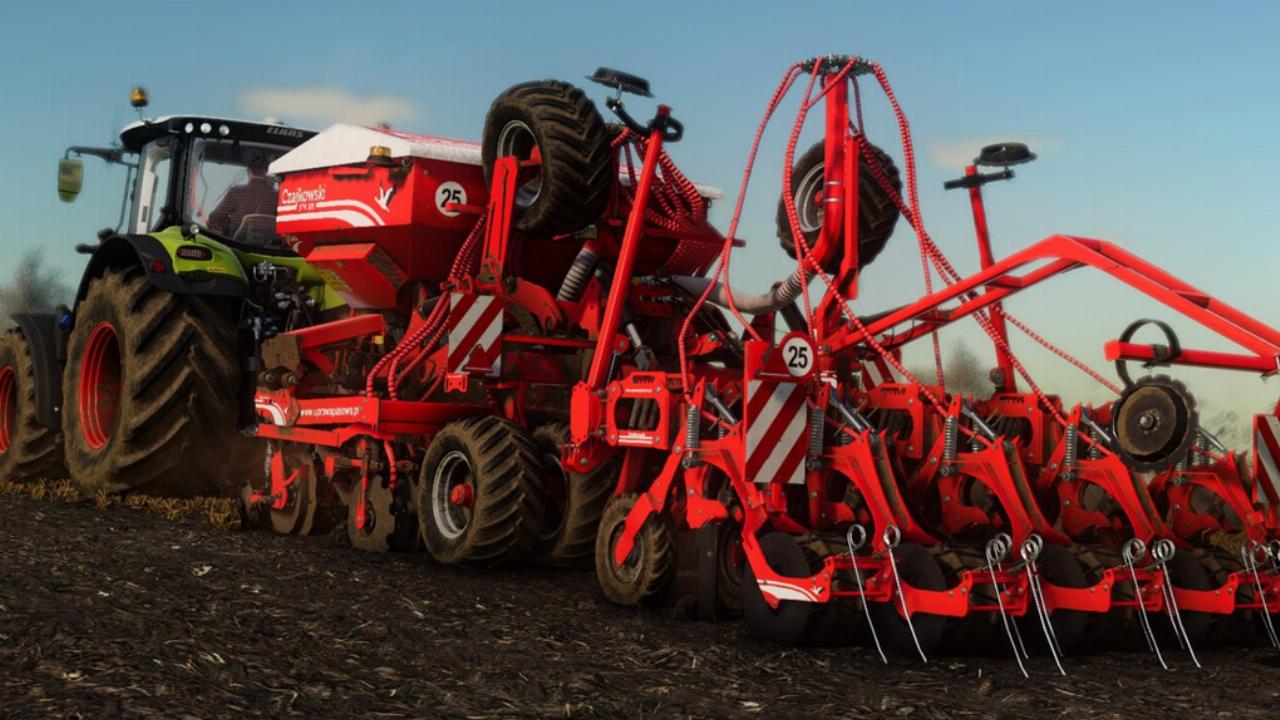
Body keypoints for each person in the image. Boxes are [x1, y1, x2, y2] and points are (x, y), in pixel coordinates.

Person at [208, 155, 278, 242]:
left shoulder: (237, 192)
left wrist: (225, 224)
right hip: (269, 249)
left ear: (248, 171)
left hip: (238, 246)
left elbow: (215, 217)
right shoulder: (276, 195)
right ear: (267, 171)